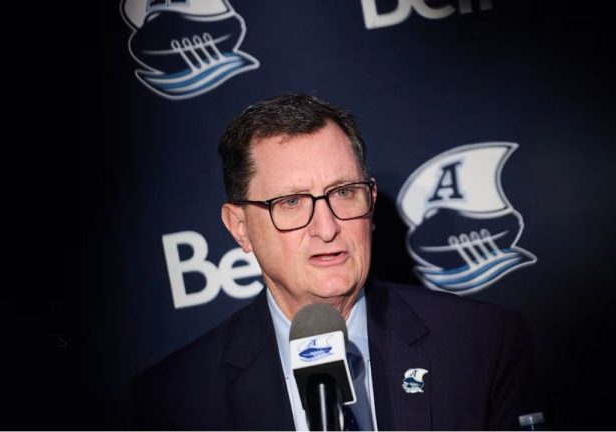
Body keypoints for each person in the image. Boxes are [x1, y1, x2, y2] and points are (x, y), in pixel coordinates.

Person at [131, 93, 536, 430]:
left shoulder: (480, 342)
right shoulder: (175, 399)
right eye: (290, 202)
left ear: (370, 201)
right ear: (239, 227)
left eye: (343, 192)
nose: (326, 228)